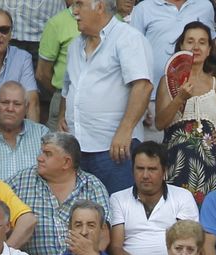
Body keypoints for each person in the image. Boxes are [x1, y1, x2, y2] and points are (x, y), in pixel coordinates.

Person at [61, 0, 151, 194]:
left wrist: (125, 130)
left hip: (114, 148)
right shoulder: (75, 45)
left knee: (117, 212)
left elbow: (142, 86)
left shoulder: (127, 38)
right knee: (83, 215)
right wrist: (63, 115)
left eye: (80, 4)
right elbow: (68, 88)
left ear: (99, 6)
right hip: (77, 148)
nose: (74, 11)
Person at [156, 22, 216, 201]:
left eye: (202, 42)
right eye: (190, 41)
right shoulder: (167, 81)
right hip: (176, 162)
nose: (196, 47)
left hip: (211, 163)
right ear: (181, 46)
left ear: (209, 49)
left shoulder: (215, 84)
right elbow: (160, 123)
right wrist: (179, 99)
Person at [11, 133, 113, 255]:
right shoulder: (21, 181)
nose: (39, 158)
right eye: (41, 152)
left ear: (66, 162)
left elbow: (104, 235)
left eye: (47, 154)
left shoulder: (92, 186)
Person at [108, 144, 199, 255]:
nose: (145, 175)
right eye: (140, 168)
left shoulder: (183, 196)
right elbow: (116, 248)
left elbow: (189, 242)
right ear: (132, 170)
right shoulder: (118, 199)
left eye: (152, 169)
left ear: (164, 171)